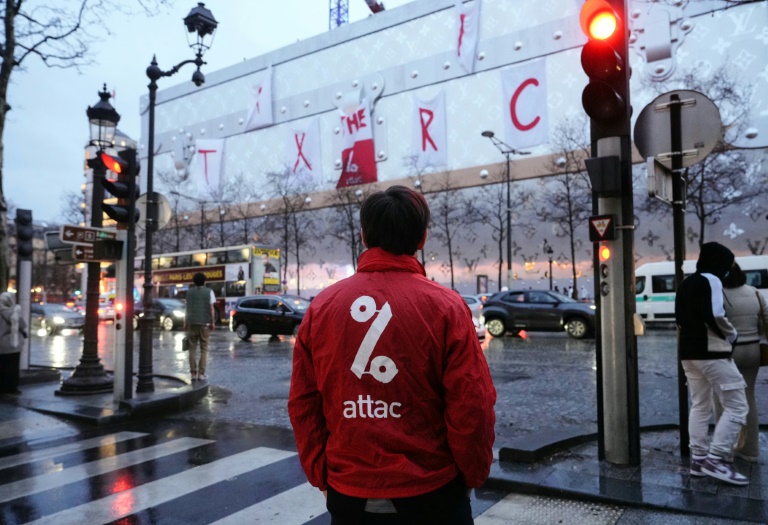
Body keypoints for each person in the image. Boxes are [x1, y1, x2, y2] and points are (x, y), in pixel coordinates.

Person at [288, 185, 496, 524]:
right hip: (432, 495)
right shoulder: (446, 307)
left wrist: (321, 475)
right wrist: (471, 475)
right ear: (422, 238)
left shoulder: (321, 307)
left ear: (364, 235)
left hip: (349, 494)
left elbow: (304, 403)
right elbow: (472, 402)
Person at [675, 242, 749, 486]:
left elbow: (680, 318)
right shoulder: (713, 281)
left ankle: (699, 458)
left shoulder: (686, 283)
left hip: (688, 353)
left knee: (700, 404)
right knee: (737, 404)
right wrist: (732, 336)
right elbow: (717, 314)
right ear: (721, 264)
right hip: (712, 351)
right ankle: (716, 458)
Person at [713, 263, 768, 462]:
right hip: (753, 351)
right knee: (749, 397)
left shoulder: (720, 295)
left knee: (722, 399)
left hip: (729, 352)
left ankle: (724, 449)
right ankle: (750, 449)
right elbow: (765, 322)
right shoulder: (755, 293)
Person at [184, 272, 215, 381]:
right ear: (204, 281)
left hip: (192, 323)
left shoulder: (189, 293)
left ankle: (193, 373)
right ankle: (201, 374)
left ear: (194, 282)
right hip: (204, 324)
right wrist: (213, 322)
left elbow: (187, 309)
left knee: (192, 349)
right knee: (204, 349)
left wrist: (186, 322)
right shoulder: (209, 292)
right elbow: (211, 308)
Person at [0, 292, 27, 395]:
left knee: (2, 367)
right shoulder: (13, 313)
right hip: (12, 345)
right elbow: (22, 325)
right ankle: (11, 388)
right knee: (12, 368)